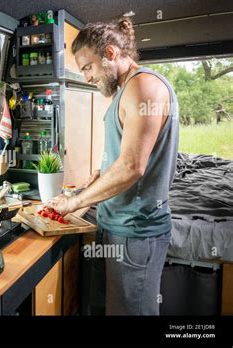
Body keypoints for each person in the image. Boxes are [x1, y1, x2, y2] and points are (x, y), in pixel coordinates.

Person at [45, 17, 179, 315]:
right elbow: (123, 157)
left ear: (110, 53)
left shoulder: (143, 87)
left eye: (88, 67)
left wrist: (74, 203)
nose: (87, 77)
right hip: (117, 225)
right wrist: (102, 174)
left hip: (136, 232)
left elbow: (132, 167)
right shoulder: (125, 90)